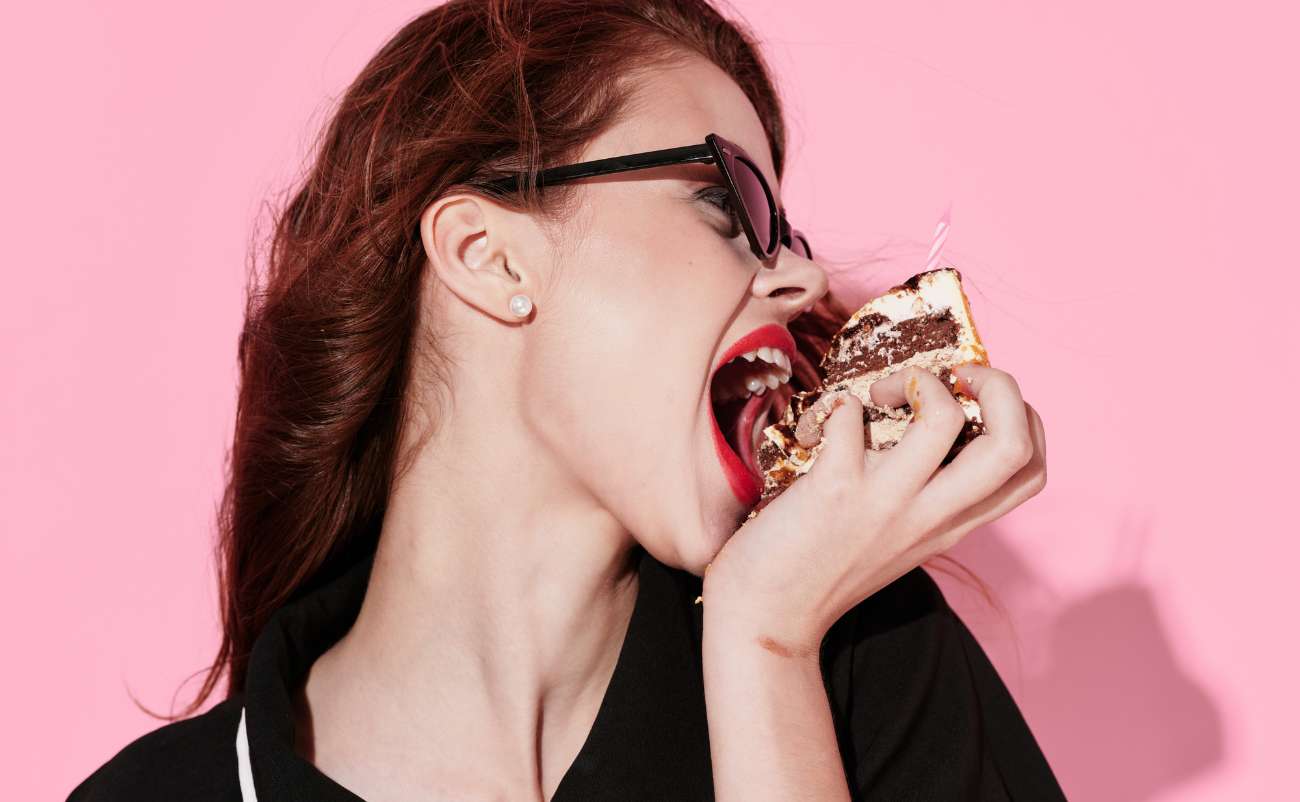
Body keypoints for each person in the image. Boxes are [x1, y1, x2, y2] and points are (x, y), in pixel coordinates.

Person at [68, 0, 1060, 799]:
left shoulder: (860, 661)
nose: (799, 283)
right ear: (486, 253)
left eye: (783, 238)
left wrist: (767, 648)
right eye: (729, 204)